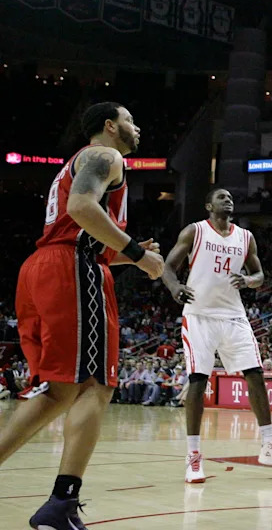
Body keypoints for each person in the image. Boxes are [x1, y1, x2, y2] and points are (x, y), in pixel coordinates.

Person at [0, 102, 165, 529]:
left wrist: (132, 256)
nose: (137, 126)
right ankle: (62, 504)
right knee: (96, 384)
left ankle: (59, 506)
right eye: (130, 119)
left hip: (47, 267)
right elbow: (81, 209)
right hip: (73, 269)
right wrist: (138, 255)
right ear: (110, 127)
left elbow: (82, 234)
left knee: (62, 390)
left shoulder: (76, 163)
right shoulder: (104, 156)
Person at [162, 188, 272, 483]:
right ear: (209, 205)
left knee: (256, 375)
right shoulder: (195, 231)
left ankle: (269, 445)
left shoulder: (245, 237)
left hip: (234, 316)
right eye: (221, 197)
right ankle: (194, 456)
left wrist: (249, 280)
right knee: (198, 380)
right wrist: (175, 288)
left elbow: (260, 274)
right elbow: (168, 267)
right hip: (199, 316)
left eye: (230, 197)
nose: (228, 200)